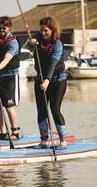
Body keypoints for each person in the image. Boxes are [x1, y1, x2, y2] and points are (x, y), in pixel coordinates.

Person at [30, 16, 67, 149]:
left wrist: (47, 80)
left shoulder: (57, 44)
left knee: (55, 109)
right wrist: (32, 41)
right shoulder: (38, 39)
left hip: (58, 80)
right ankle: (44, 140)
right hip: (41, 79)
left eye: (46, 30)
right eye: (41, 31)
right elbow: (33, 37)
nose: (43, 33)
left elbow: (52, 64)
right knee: (41, 110)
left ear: (52, 30)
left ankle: (62, 140)